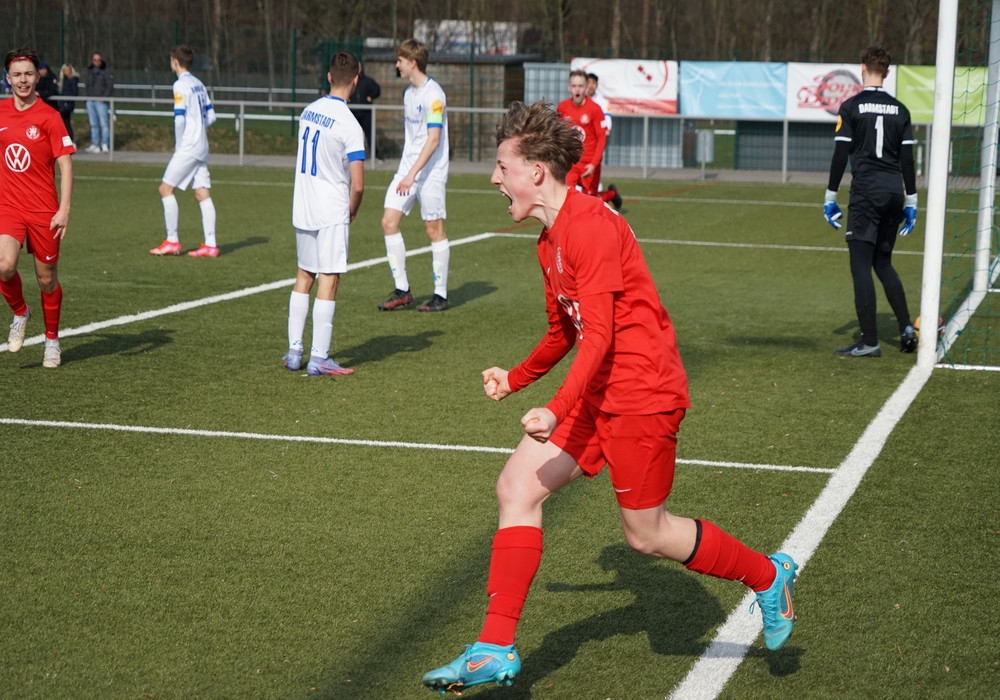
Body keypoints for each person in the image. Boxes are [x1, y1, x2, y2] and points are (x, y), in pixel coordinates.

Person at [420, 101, 799, 695]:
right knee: (517, 488)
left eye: (502, 167)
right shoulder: (548, 241)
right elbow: (564, 333)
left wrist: (555, 408)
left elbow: (598, 336)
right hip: (599, 388)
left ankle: (768, 576)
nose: (494, 179)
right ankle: (493, 647)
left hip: (643, 393)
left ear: (536, 171)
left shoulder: (591, 226)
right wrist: (515, 378)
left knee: (646, 536)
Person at [823, 45, 918, 357]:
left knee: (861, 265)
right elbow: (907, 160)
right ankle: (906, 328)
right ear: (887, 73)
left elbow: (840, 155)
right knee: (883, 262)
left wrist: (831, 195)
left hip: (866, 192)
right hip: (893, 193)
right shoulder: (901, 110)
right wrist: (911, 201)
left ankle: (869, 341)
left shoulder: (851, 107)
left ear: (862, 67)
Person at [282, 51, 365, 377]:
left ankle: (294, 352)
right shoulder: (350, 124)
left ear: (329, 77)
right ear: (355, 80)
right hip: (331, 210)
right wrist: (352, 211)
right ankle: (319, 357)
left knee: (304, 275)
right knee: (329, 279)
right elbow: (358, 185)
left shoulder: (308, 111)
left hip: (303, 205)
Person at [0, 47, 75, 369]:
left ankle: (52, 341)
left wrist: (64, 209)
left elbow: (66, 165)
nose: (23, 80)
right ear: (7, 79)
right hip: (8, 206)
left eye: (28, 74)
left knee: (46, 280)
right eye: (17, 74)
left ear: (37, 76)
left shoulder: (49, 117)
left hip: (44, 210)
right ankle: (20, 312)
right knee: (3, 265)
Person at [377, 38, 451, 313]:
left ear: (413, 63)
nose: (397, 65)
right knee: (388, 222)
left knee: (433, 229)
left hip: (431, 172)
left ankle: (440, 295)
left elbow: (433, 140)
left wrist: (412, 174)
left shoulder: (434, 95)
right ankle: (403, 291)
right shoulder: (408, 94)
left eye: (400, 60)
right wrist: (407, 172)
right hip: (408, 169)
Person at [150, 45, 219, 258]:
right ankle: (211, 245)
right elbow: (212, 116)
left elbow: (179, 119)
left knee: (165, 189)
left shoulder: (180, 85)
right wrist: (199, 127)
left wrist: (179, 144)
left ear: (175, 62)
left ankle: (172, 241)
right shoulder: (199, 83)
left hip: (189, 145)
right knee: (202, 193)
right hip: (202, 145)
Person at [556, 70, 607, 200]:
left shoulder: (595, 109)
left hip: (588, 164)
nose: (577, 89)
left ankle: (610, 195)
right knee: (565, 198)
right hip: (571, 163)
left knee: (589, 201)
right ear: (569, 88)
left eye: (580, 86)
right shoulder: (562, 107)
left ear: (586, 88)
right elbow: (558, 134)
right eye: (574, 86)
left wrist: (594, 164)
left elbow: (601, 138)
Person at [586, 72, 622, 210]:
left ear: (596, 85)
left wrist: (601, 130)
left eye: (593, 83)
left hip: (593, 147)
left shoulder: (602, 103)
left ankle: (610, 194)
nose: (590, 86)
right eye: (588, 83)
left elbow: (607, 125)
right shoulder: (577, 102)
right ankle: (611, 194)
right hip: (578, 148)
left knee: (590, 190)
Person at [350, 63, 382, 160]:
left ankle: (376, 155)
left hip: (366, 113)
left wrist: (371, 97)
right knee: (352, 135)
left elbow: (377, 90)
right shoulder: (350, 81)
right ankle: (352, 156)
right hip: (353, 113)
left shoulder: (368, 81)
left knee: (370, 134)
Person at [84, 51, 112, 153]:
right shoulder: (89, 70)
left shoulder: (106, 70)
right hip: (90, 100)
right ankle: (95, 144)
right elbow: (87, 84)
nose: (97, 61)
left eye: (98, 60)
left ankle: (105, 144)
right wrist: (86, 97)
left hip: (101, 101)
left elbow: (110, 85)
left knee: (104, 124)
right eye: (95, 60)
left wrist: (104, 97)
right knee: (93, 124)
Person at [57, 64, 80, 145]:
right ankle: (65, 141)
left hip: (67, 105)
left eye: (68, 70)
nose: (67, 72)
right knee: (62, 124)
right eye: (65, 70)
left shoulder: (72, 80)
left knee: (66, 123)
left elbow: (74, 93)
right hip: (62, 104)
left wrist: (66, 101)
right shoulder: (63, 80)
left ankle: (71, 142)